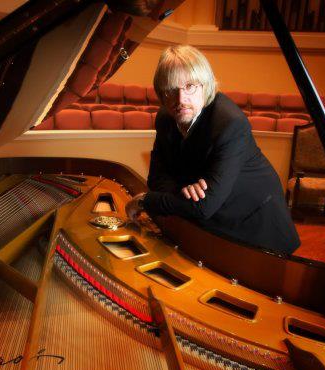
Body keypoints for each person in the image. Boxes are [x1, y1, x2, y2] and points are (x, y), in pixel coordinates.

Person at [126, 45, 300, 254]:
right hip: (214, 220)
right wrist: (184, 193)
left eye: (190, 86)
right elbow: (156, 178)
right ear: (161, 94)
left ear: (206, 86)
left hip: (257, 222)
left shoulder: (230, 123)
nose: (181, 100)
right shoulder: (165, 117)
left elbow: (203, 206)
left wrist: (145, 200)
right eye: (171, 89)